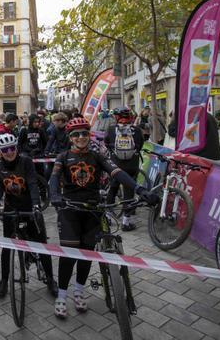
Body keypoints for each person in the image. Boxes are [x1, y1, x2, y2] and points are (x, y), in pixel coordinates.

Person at [49, 117, 157, 319]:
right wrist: (54, 195)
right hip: (70, 209)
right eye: (76, 134)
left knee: (87, 254)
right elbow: (54, 179)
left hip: (93, 209)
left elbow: (118, 173)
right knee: (69, 255)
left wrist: (139, 189)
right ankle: (62, 296)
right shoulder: (62, 157)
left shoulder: (97, 156)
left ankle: (79, 291)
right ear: (70, 138)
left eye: (84, 133)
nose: (81, 137)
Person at [0, 133, 57, 297]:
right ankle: (4, 280)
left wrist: (36, 204)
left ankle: (50, 278)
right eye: (5, 150)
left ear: (16, 148)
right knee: (7, 247)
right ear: (0, 152)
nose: (9, 152)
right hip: (11, 209)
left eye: (12, 148)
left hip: (29, 206)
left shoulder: (26, 161)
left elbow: (33, 184)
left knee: (41, 244)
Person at [105, 107, 144, 231]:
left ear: (116, 117)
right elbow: (140, 145)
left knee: (113, 188)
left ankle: (108, 218)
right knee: (129, 192)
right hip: (132, 165)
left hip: (115, 164)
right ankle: (126, 222)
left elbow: (106, 143)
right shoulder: (137, 130)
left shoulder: (111, 129)